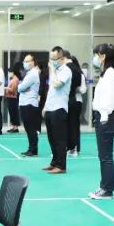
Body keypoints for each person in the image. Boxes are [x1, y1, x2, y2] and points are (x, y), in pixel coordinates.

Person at [89, 44, 114, 200]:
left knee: (106, 156)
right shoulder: (106, 73)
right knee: (103, 155)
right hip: (102, 117)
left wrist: (103, 117)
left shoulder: (110, 74)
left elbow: (109, 98)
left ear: (103, 56)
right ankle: (104, 186)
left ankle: (107, 189)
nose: (95, 58)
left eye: (97, 54)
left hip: (106, 118)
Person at [43, 46, 73, 174]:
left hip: (59, 108)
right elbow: (51, 91)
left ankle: (61, 166)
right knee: (51, 138)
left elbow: (56, 85)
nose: (52, 61)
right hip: (50, 108)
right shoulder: (54, 71)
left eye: (54, 58)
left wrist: (51, 70)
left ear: (61, 58)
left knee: (59, 139)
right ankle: (54, 162)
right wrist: (45, 106)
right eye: (50, 58)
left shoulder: (66, 71)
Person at [18, 53, 42, 156]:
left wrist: (21, 88)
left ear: (32, 62)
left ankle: (33, 149)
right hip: (26, 103)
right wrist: (22, 88)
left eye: (27, 61)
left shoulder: (32, 74)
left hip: (29, 104)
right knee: (28, 128)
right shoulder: (29, 73)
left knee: (31, 128)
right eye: (24, 61)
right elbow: (22, 87)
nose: (25, 63)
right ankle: (31, 148)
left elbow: (20, 88)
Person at [67, 54, 86, 157]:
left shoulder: (80, 74)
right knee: (69, 125)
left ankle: (75, 147)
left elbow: (83, 89)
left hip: (76, 101)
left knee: (74, 124)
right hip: (68, 100)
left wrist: (76, 88)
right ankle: (70, 146)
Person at [4, 64, 21, 134]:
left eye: (9, 72)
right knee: (11, 112)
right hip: (10, 97)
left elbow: (13, 90)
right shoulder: (12, 79)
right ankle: (13, 126)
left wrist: (5, 88)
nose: (8, 74)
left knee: (14, 112)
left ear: (12, 72)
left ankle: (15, 127)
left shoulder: (15, 79)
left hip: (13, 98)